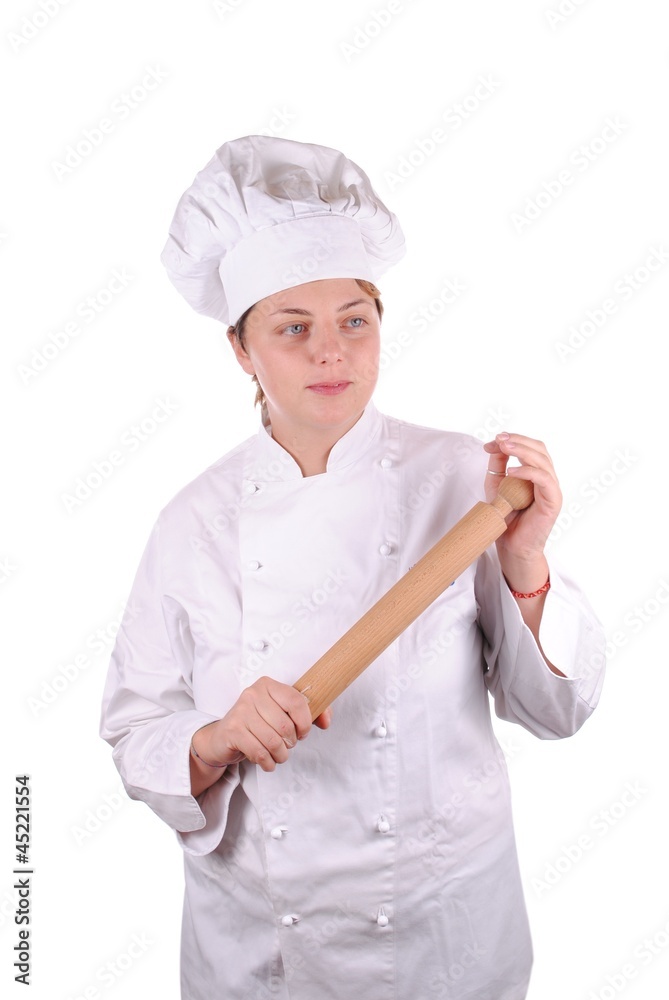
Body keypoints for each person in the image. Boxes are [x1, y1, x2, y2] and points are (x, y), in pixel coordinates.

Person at [100, 135, 606, 1000]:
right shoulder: (193, 522)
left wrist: (523, 560)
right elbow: (133, 729)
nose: (330, 353)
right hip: (264, 943)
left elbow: (556, 711)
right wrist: (213, 738)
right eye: (292, 328)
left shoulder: (462, 482)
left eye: (354, 321)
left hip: (445, 928)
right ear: (241, 349)